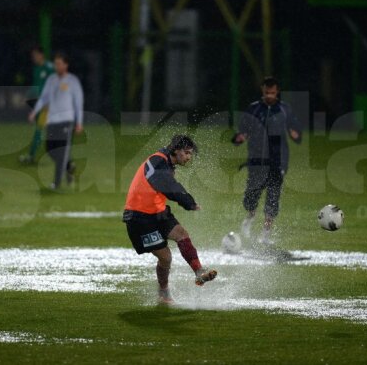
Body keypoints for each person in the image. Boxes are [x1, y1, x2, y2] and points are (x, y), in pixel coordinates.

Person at [123, 135, 217, 305]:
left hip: (158, 213)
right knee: (166, 257)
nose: (189, 157)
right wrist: (188, 201)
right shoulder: (157, 160)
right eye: (187, 153)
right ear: (176, 150)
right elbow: (165, 184)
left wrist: (187, 201)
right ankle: (163, 293)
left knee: (181, 234)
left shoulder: (167, 163)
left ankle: (199, 272)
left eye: (190, 154)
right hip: (139, 218)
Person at [232, 76, 302, 248]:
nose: (269, 95)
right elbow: (243, 130)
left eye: (272, 92)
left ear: (277, 92)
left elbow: (296, 131)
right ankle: (250, 218)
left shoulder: (284, 109)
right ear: (262, 91)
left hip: (278, 161)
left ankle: (265, 234)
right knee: (252, 194)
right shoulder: (254, 109)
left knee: (273, 197)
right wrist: (240, 137)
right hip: (256, 160)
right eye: (266, 92)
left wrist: (295, 134)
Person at [28, 51, 83, 189]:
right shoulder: (51, 79)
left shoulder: (73, 81)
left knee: (62, 151)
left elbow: (78, 102)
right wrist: (35, 112)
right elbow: (44, 98)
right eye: (55, 64)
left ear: (66, 65)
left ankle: (56, 183)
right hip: (52, 120)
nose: (57, 66)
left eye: (59, 64)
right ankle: (69, 166)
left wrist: (79, 122)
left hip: (66, 121)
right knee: (50, 149)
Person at [20, 46, 55, 164]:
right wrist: (27, 95)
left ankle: (31, 156)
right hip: (42, 103)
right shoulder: (37, 69)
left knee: (40, 130)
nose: (33, 58)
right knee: (43, 130)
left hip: (50, 103)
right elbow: (37, 85)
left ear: (41, 55)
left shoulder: (49, 68)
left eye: (35, 55)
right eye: (32, 56)